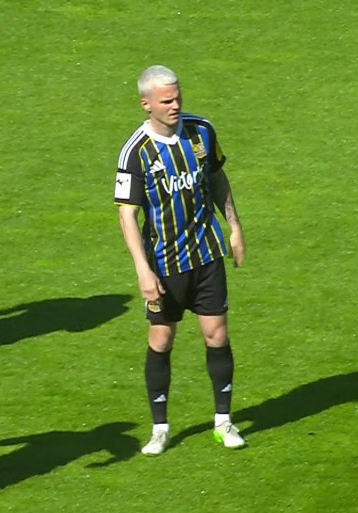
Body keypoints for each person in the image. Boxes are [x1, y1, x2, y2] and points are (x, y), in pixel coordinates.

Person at [115, 65, 247, 456]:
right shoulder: (135, 151)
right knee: (161, 338)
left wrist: (234, 226)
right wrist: (142, 269)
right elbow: (127, 215)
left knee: (217, 335)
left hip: (206, 253)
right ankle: (160, 429)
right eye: (167, 101)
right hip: (164, 262)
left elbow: (218, 177)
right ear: (146, 104)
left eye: (178, 98)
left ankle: (223, 421)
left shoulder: (201, 131)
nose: (176, 106)